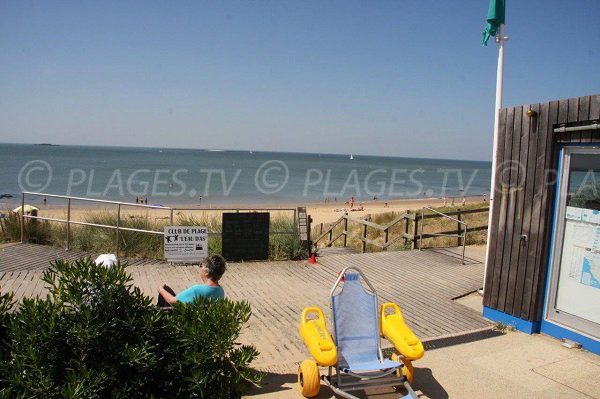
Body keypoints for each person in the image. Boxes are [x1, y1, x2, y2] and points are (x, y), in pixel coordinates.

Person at [157, 255, 227, 307]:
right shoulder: (220, 291)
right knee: (167, 290)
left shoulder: (197, 290)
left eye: (201, 265)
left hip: (186, 321)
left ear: (206, 272)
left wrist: (160, 289)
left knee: (165, 290)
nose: (199, 268)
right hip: (204, 322)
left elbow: (171, 301)